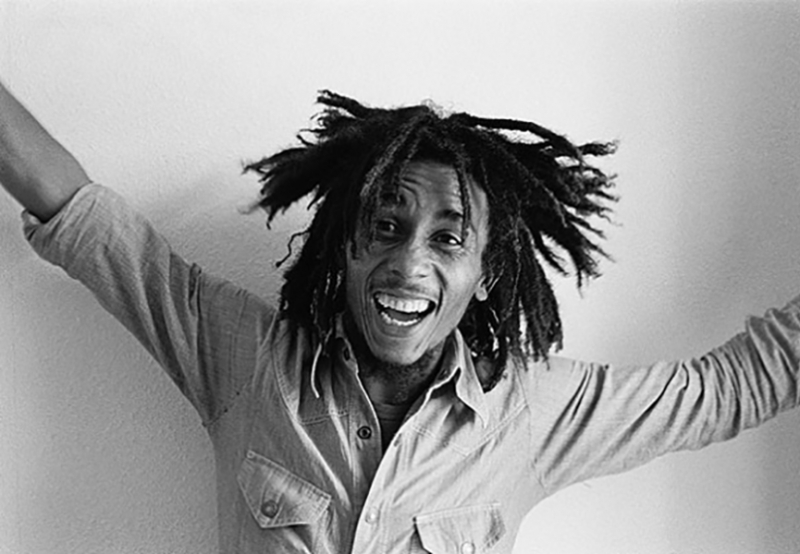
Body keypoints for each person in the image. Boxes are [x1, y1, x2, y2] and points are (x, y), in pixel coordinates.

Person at [2, 80, 800, 554]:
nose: (409, 263)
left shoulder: (530, 412)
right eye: (385, 225)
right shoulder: (247, 360)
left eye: (448, 238)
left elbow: (737, 386)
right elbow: (86, 220)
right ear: (344, 246)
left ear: (486, 275)